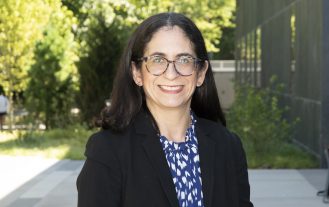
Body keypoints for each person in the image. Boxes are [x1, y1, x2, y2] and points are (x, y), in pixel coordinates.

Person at [77, 12, 253, 207]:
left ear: (201, 73)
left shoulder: (228, 146)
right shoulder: (108, 150)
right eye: (158, 60)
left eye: (184, 60)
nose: (171, 74)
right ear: (137, 73)